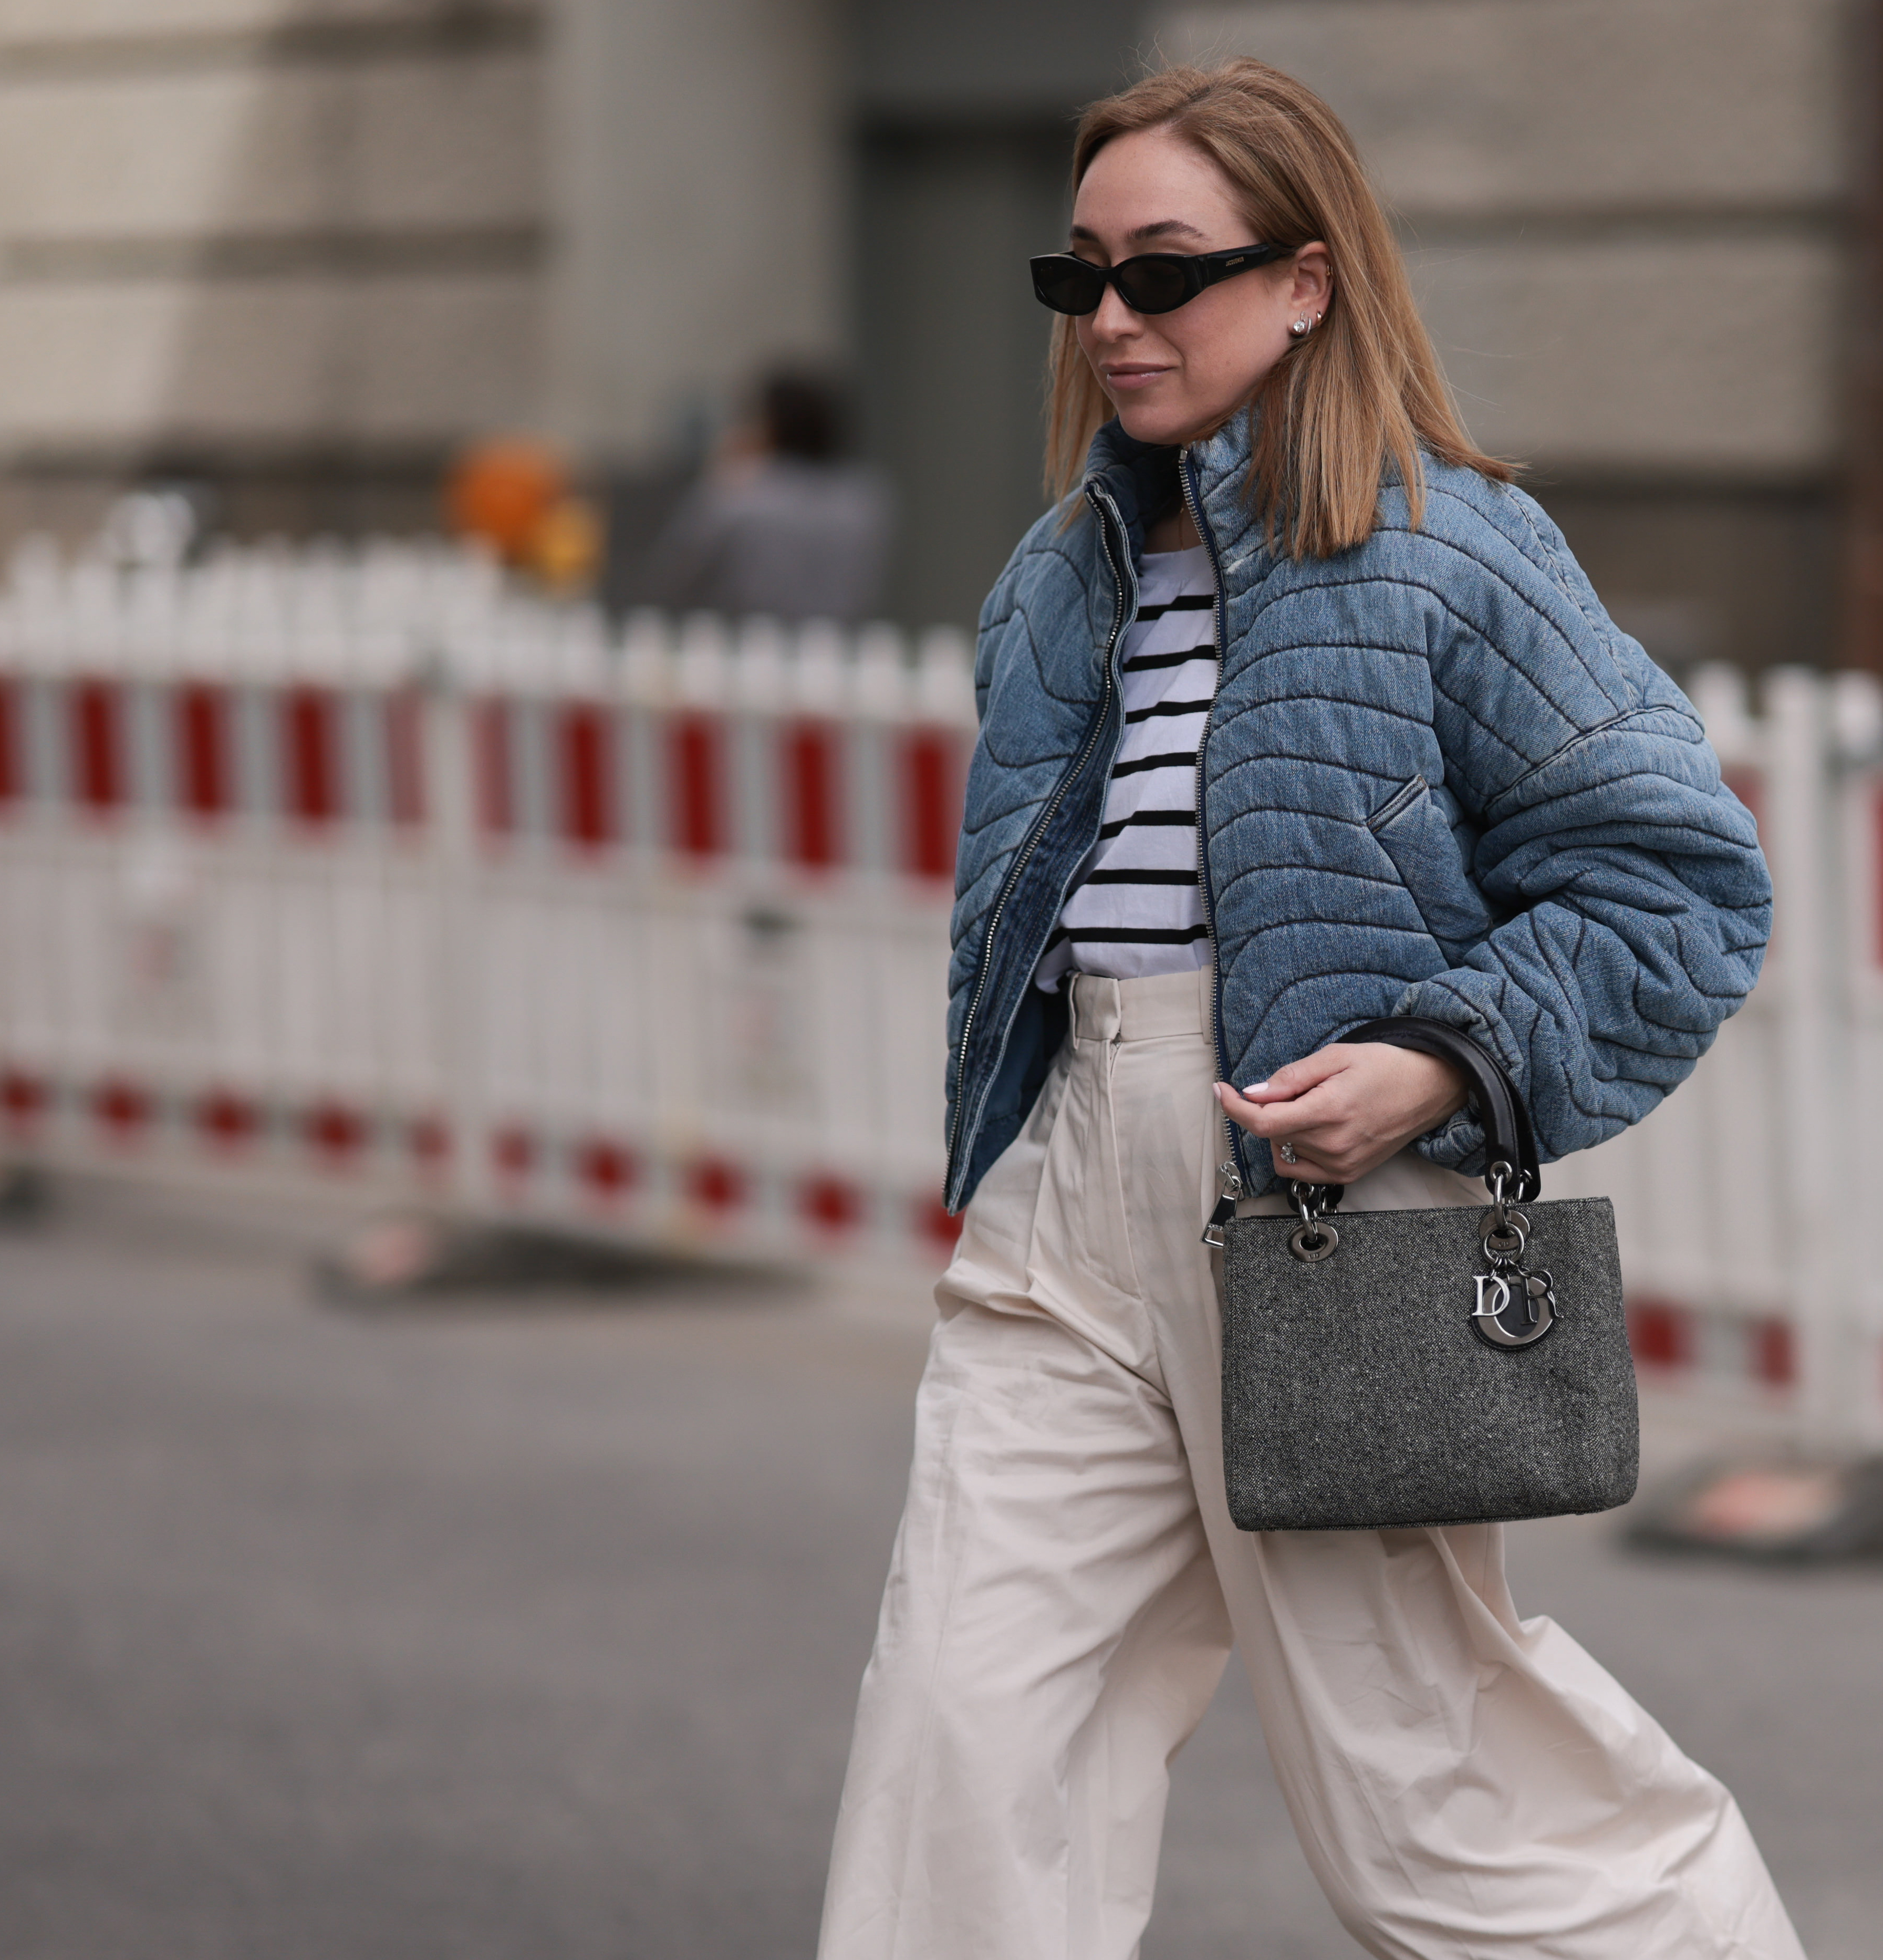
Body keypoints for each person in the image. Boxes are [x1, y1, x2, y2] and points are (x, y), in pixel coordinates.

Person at [818, 59, 1803, 1960]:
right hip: (1068, 1210)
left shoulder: (1451, 549)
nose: (1112, 318)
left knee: (1434, 1799)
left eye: (1164, 270)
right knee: (957, 1731)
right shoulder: (1056, 585)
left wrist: (1445, 1055)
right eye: (1081, 275)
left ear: (1305, 281)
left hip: (1323, 1210)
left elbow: (1677, 883)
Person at [634, 367, 890, 623]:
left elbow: (678, 571)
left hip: (754, 644)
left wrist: (721, 476)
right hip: (842, 645)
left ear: (771, 425)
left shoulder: (742, 499)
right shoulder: (865, 499)